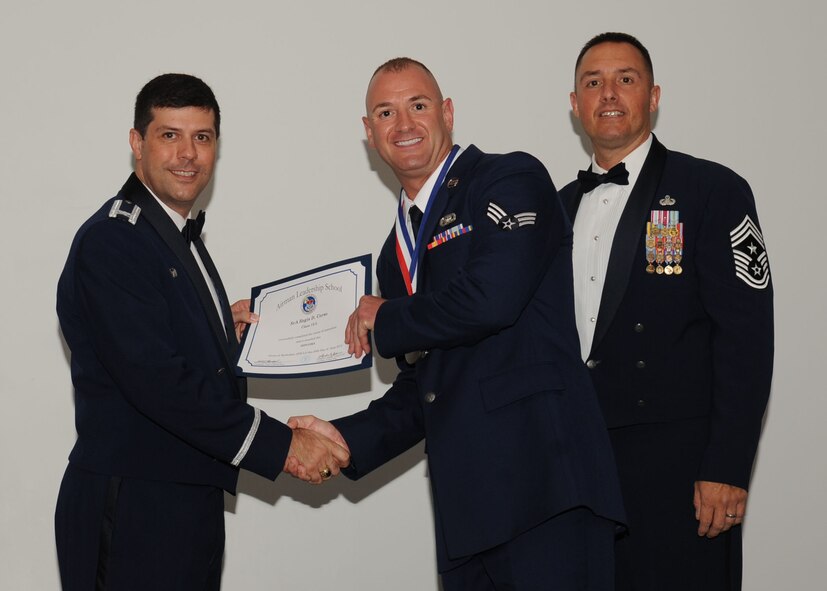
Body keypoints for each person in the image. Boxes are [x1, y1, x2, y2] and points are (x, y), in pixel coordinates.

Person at [287, 58, 625, 590]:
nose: (403, 125)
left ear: (446, 112)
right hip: (466, 513)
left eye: (417, 106)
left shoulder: (509, 178)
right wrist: (346, 440)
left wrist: (389, 316)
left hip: (547, 490)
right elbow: (425, 387)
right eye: (385, 112)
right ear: (369, 132)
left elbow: (493, 299)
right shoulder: (392, 255)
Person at [55, 73, 349, 590]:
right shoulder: (114, 241)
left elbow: (161, 342)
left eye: (203, 137)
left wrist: (216, 332)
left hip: (182, 497)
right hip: (134, 508)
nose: (187, 154)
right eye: (170, 135)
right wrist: (282, 446)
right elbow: (158, 381)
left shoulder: (167, 232)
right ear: (136, 144)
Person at [559, 32, 774, 590]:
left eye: (625, 79)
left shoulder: (712, 190)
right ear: (575, 103)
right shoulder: (556, 208)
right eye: (593, 82)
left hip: (679, 471)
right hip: (581, 466)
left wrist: (726, 468)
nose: (609, 93)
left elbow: (746, 339)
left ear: (653, 96)